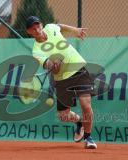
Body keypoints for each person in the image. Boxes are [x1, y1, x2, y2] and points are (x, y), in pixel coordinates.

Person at [26, 16, 97, 149]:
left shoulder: (51, 27)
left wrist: (75, 30)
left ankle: (88, 137)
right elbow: (50, 66)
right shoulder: (36, 50)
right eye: (33, 29)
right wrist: (55, 64)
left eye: (38, 26)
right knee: (63, 115)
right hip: (62, 79)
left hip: (78, 68)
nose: (37, 29)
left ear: (41, 24)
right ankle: (79, 123)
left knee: (85, 104)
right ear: (29, 32)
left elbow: (61, 26)